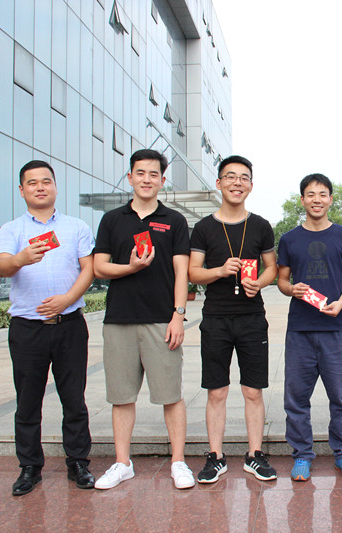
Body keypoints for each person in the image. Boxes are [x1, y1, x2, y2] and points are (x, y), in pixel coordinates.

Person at [92, 149, 194, 490]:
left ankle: (178, 461)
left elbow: (181, 272)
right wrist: (131, 267)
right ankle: (122, 463)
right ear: (130, 177)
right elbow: (99, 267)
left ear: (162, 181)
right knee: (121, 397)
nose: (146, 179)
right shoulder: (112, 220)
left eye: (153, 174)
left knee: (170, 394)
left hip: (160, 320)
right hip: (119, 319)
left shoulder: (174, 221)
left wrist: (178, 315)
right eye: (140, 173)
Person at [0, 160, 95, 495]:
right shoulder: (11, 230)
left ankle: (78, 462)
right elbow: (2, 267)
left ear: (55, 187)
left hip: (69, 325)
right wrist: (20, 258)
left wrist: (67, 299)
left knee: (74, 398)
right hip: (27, 329)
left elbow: (89, 269)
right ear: (22, 190)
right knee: (27, 401)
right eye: (32, 182)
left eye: (46, 181)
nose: (40, 187)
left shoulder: (76, 227)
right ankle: (29, 467)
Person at [188, 155, 278, 483]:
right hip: (215, 318)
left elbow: (272, 267)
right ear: (219, 183)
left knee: (253, 391)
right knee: (217, 391)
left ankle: (255, 455)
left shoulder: (261, 226)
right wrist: (219, 270)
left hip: (252, 318)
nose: (237, 183)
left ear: (251, 185)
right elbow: (193, 272)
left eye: (243, 178)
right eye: (230, 177)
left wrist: (260, 282)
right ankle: (215, 456)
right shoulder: (204, 228)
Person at [277, 173, 342, 481]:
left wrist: (341, 303)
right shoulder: (289, 239)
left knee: (341, 397)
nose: (317, 199)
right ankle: (302, 455)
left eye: (322, 194)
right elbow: (281, 280)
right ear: (302, 200)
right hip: (300, 330)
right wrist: (291, 289)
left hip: (336, 328)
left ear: (330, 200)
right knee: (296, 398)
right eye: (310, 194)